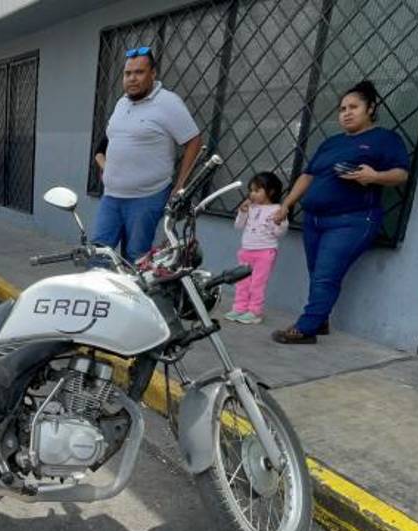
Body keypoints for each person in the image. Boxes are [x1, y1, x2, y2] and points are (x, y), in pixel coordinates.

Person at [271, 80, 410, 344]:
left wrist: (375, 176)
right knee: (317, 272)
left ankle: (306, 328)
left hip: (352, 220)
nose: (346, 112)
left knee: (326, 273)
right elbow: (308, 175)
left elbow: (401, 174)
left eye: (353, 107)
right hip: (315, 220)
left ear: (371, 108)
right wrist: (287, 204)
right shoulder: (331, 143)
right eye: (342, 108)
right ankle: (320, 319)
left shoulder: (385, 139)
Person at [92, 46, 202, 263]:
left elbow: (194, 141)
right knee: (98, 254)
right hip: (111, 196)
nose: (132, 78)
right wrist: (108, 169)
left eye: (139, 72)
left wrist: (180, 186)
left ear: (153, 74)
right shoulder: (121, 103)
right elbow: (110, 143)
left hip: (146, 198)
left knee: (137, 258)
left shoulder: (168, 102)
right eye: (128, 73)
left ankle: (133, 298)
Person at [225, 171, 287, 325]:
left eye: (257, 190)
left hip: (265, 252)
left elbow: (279, 233)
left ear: (271, 191)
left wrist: (279, 222)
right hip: (246, 251)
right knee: (242, 281)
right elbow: (238, 226)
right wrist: (242, 212)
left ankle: (255, 311)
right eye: (251, 190)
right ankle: (239, 308)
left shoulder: (277, 209)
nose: (252, 194)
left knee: (257, 283)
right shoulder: (250, 207)